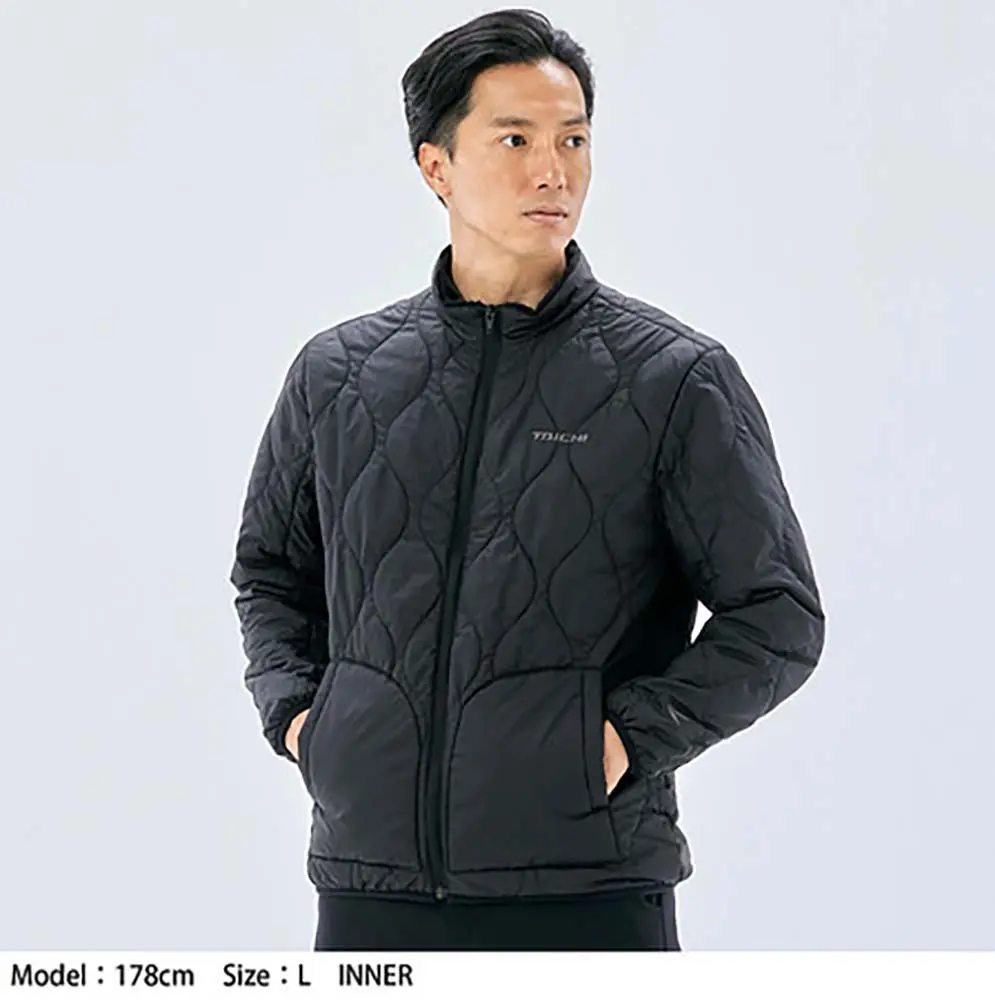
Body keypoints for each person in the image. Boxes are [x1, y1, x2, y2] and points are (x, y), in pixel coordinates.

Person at [229, 8, 825, 952]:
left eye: (573, 140)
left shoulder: (671, 378)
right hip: (370, 888)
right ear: (436, 166)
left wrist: (615, 744)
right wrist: (306, 722)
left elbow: (778, 615)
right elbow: (269, 571)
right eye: (516, 140)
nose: (554, 171)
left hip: (588, 890)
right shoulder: (337, 375)